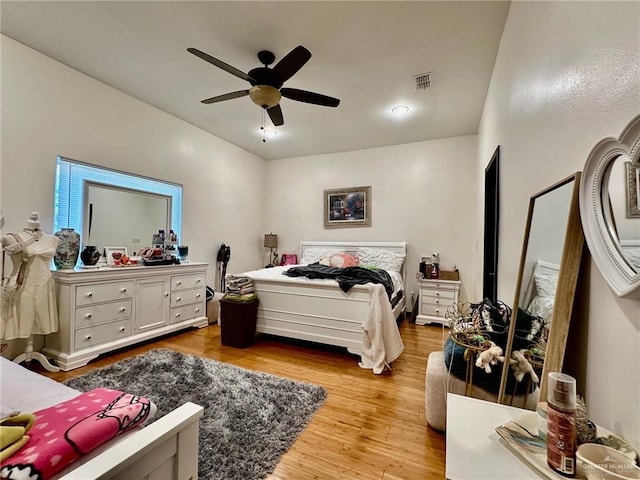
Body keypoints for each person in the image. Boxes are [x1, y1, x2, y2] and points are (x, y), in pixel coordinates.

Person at [1, 212, 60, 340]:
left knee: (41, 319)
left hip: (45, 284)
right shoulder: (12, 238)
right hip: (22, 284)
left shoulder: (53, 239)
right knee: (24, 318)